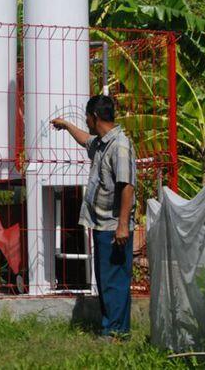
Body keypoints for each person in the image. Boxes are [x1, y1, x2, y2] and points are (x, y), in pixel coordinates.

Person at [51, 95, 137, 339]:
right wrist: (66, 126)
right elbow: (84, 140)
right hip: (101, 223)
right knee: (106, 279)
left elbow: (127, 186)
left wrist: (122, 226)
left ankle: (117, 332)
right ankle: (112, 327)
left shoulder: (119, 146)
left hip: (114, 226)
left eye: (87, 117)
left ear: (95, 117)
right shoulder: (102, 143)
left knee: (115, 281)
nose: (86, 121)